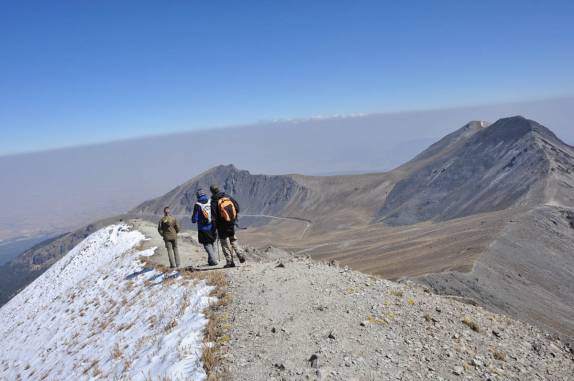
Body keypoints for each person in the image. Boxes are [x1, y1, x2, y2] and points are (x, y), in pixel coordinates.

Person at [210, 185, 246, 268]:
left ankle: (230, 262)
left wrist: (213, 229)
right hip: (231, 223)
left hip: (221, 226)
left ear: (212, 192)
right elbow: (237, 208)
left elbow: (214, 218)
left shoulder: (214, 201)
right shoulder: (227, 196)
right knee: (233, 239)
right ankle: (240, 254)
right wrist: (232, 218)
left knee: (224, 243)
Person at [191, 189, 218, 266]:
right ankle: (211, 261)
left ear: (197, 196)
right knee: (212, 242)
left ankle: (213, 260)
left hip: (203, 228)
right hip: (212, 226)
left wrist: (194, 220)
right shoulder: (210, 201)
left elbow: (194, 219)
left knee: (207, 244)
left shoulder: (197, 205)